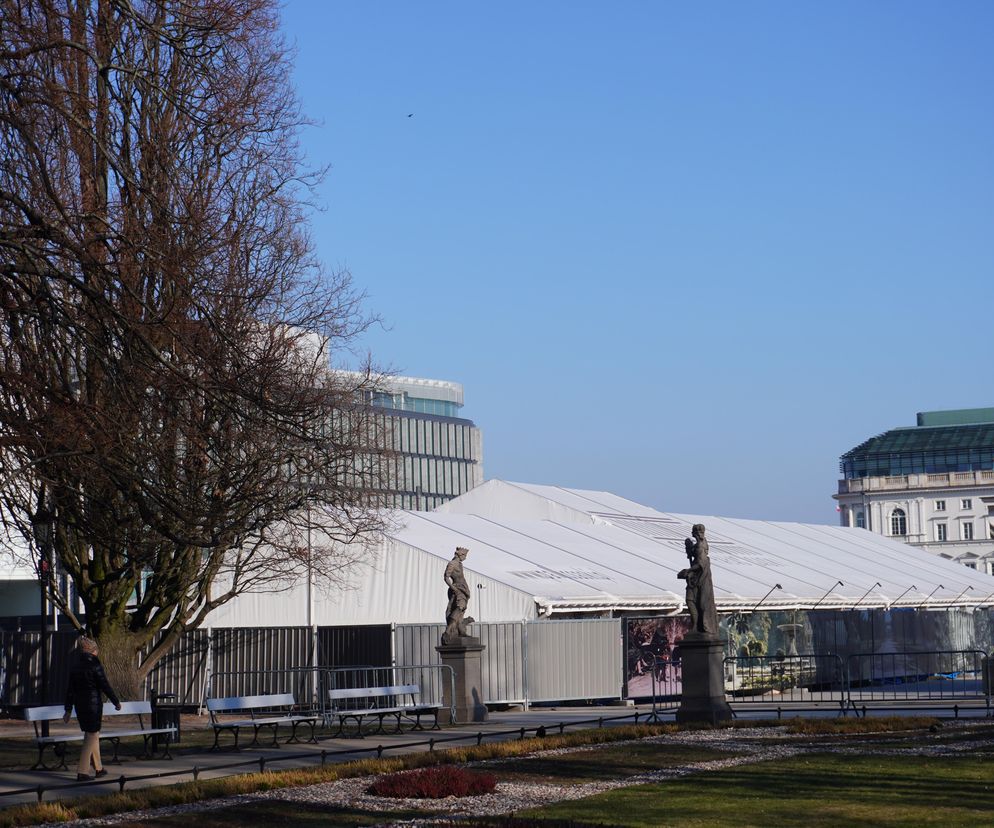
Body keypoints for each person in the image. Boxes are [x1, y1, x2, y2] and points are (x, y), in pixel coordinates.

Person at [63, 636, 121, 781]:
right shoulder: (95, 666)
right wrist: (116, 701)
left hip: (80, 706)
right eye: (97, 650)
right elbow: (105, 685)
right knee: (91, 736)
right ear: (93, 651)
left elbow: (70, 690)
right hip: (93, 705)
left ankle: (99, 768)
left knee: (93, 735)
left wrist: (68, 709)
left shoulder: (75, 667)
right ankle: (82, 772)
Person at [677, 524, 718, 636]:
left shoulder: (700, 546)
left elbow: (700, 564)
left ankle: (697, 626)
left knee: (692, 601)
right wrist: (690, 550)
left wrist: (689, 570)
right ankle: (697, 625)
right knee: (693, 601)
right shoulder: (701, 544)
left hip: (699, 579)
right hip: (697, 579)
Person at [442, 546, 473, 643]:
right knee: (460, 607)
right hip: (457, 589)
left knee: (461, 610)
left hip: (463, 589)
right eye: (465, 555)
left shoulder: (460, 564)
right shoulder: (452, 563)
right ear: (460, 554)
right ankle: (448, 631)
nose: (465, 558)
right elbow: (446, 577)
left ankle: (460, 631)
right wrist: (453, 588)